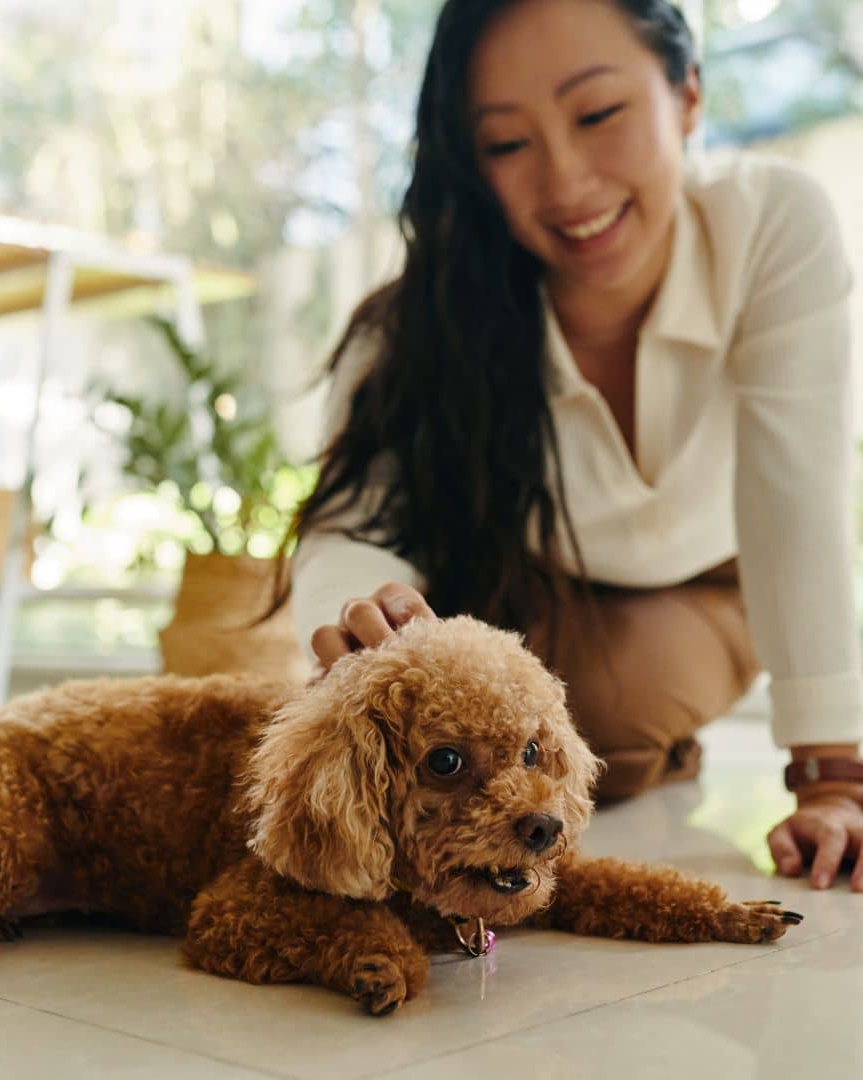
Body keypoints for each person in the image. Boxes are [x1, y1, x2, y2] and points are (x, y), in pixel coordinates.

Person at [273, 0, 863, 891]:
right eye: (508, 144)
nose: (567, 181)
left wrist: (833, 776)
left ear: (687, 95)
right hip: (514, 585)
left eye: (598, 115)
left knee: (610, 709)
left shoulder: (774, 223)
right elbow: (352, 526)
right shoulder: (419, 324)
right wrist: (366, 623)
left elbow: (799, 494)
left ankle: (647, 736)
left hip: (709, 580)